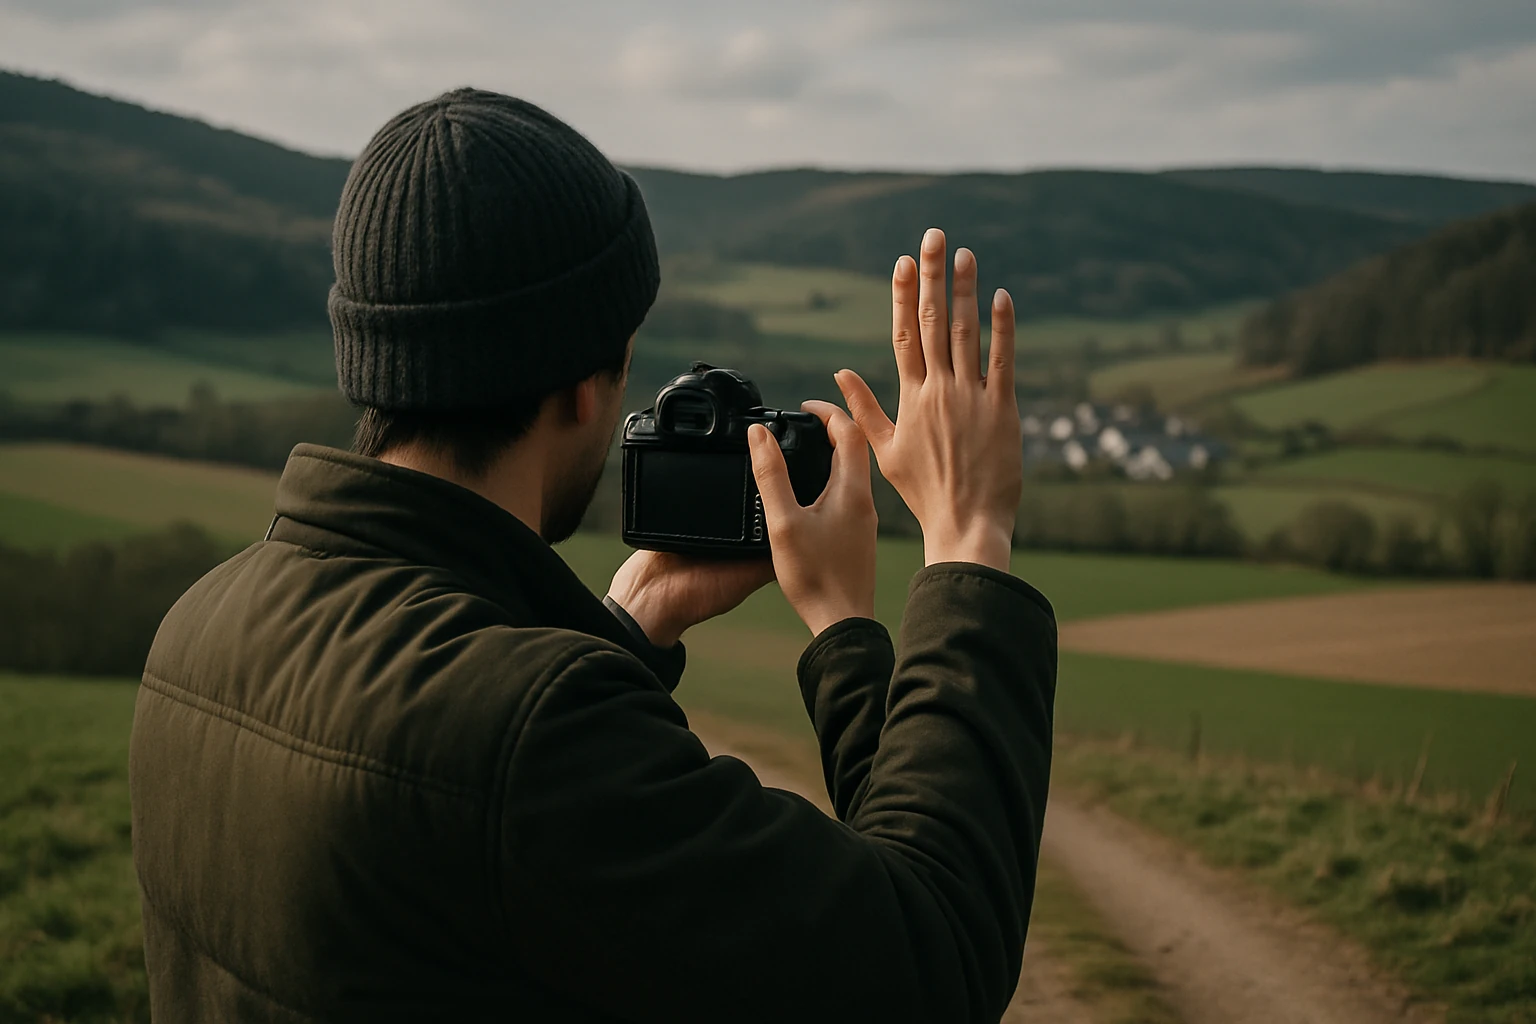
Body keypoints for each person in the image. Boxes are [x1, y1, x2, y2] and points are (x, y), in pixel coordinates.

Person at [129, 88, 1055, 1024]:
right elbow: (929, 958)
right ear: (582, 383)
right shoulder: (529, 735)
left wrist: (629, 629)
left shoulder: (197, 629)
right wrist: (965, 539)